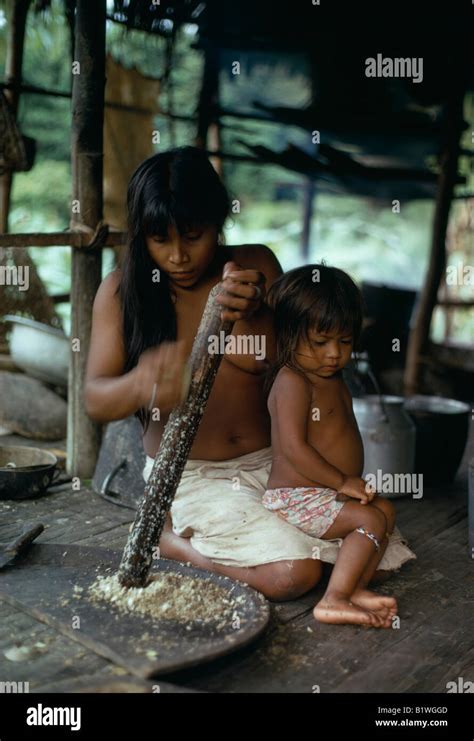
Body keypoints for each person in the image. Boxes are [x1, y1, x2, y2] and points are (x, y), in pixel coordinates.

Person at [263, 264, 415, 626]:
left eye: (344, 342)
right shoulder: (294, 382)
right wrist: (342, 481)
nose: (334, 353)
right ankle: (333, 599)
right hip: (297, 495)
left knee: (385, 512)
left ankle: (355, 588)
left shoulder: (332, 377)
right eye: (320, 342)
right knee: (367, 519)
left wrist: (343, 484)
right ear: (289, 335)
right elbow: (294, 449)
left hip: (327, 492)